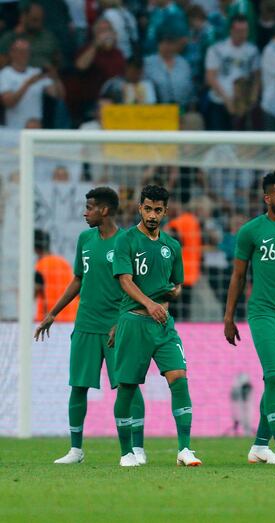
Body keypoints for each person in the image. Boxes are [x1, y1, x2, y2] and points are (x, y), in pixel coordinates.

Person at [33, 188, 146, 466]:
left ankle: (138, 448)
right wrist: (52, 313)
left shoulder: (127, 241)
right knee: (78, 386)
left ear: (105, 210)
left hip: (116, 327)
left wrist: (123, 320)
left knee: (128, 386)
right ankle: (75, 449)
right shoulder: (85, 239)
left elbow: (137, 286)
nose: (85, 212)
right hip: (85, 324)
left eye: (90, 207)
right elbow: (77, 279)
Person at [112, 185, 201, 467]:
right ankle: (127, 451)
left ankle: (185, 449)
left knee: (180, 378)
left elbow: (177, 283)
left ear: (165, 211)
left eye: (158, 210)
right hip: (134, 321)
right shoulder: (126, 240)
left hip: (163, 325)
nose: (152, 215)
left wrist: (168, 298)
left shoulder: (172, 246)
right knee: (127, 387)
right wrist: (150, 304)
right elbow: (125, 281)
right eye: (147, 208)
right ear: (140, 208)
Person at [223, 172, 275, 464]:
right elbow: (238, 275)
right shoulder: (251, 231)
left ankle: (258, 446)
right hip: (263, 312)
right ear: (267, 198)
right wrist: (229, 317)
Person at [204, 15, 260, 131]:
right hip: (219, 102)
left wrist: (252, 99)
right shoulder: (216, 49)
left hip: (243, 105)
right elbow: (210, 77)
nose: (243, 35)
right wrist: (227, 100)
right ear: (231, 30)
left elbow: (257, 77)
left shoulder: (252, 51)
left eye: (245, 31)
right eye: (239, 31)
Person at [0, 38, 63, 129]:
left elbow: (58, 95)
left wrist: (55, 77)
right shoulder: (5, 74)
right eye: (21, 51)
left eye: (27, 51)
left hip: (35, 128)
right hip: (14, 129)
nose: (24, 55)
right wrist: (28, 84)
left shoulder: (36, 73)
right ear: (12, 53)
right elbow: (9, 102)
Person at [144, 31, 194, 109]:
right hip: (156, 109)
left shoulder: (184, 63)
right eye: (164, 43)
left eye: (171, 44)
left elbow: (190, 89)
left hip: (182, 108)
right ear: (158, 44)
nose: (167, 47)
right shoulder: (147, 63)